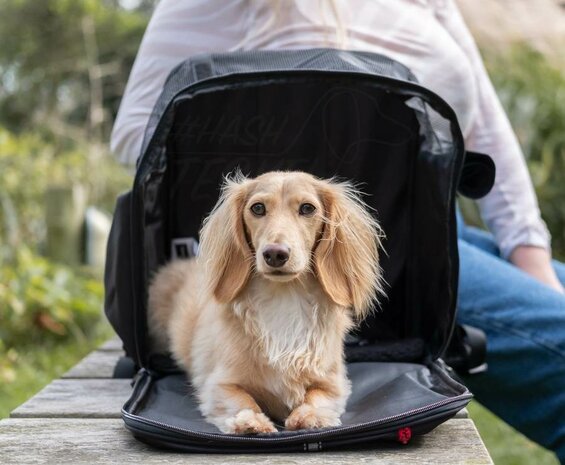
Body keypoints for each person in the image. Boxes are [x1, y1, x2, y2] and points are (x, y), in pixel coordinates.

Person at [110, 0, 565, 461]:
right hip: (402, 261)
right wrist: (267, 124)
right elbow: (133, 134)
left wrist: (532, 258)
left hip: (432, 231)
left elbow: (486, 129)